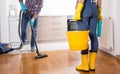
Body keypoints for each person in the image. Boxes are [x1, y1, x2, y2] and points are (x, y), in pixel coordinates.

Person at [73, 0, 102, 71]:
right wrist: (99, 11)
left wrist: (78, 10)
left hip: (84, 8)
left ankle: (84, 65)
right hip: (95, 8)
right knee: (93, 35)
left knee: (83, 36)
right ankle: (92, 65)